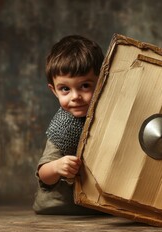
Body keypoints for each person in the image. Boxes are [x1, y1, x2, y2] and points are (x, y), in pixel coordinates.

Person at [33, 35, 104, 214]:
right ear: (54, 91)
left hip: (94, 208)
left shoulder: (105, 116)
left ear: (102, 82)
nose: (75, 96)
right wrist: (57, 166)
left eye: (85, 86)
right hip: (59, 208)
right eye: (65, 89)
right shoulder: (65, 125)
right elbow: (44, 175)